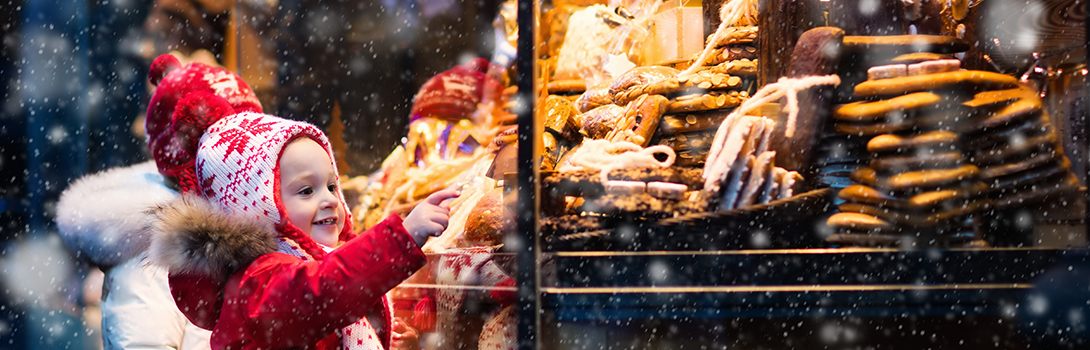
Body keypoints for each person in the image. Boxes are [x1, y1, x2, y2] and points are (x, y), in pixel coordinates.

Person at [142, 54, 456, 349]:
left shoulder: (308, 266)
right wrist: (401, 239)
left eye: (332, 186)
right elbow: (323, 291)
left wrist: (380, 331)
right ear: (257, 205)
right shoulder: (257, 282)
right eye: (306, 191)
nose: (330, 200)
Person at [55, 52, 267, 350]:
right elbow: (142, 342)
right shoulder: (154, 251)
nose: (260, 158)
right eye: (243, 143)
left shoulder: (243, 219)